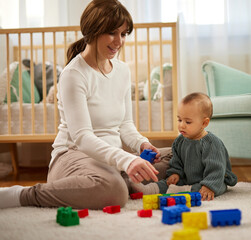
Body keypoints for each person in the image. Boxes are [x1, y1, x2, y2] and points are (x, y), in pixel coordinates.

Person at [0, 0, 170, 209]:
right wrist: (127, 161)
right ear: (92, 31)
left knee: (183, 153)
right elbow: (82, 138)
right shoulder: (74, 74)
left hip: (110, 161)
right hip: (74, 157)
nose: (119, 41)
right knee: (114, 192)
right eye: (112, 33)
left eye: (123, 34)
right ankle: (23, 195)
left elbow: (125, 125)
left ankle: (124, 180)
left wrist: (142, 144)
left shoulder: (122, 71)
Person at [132, 92, 238, 201]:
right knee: (167, 182)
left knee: (204, 189)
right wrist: (175, 173)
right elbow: (176, 161)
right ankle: (148, 190)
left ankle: (184, 189)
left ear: (204, 123)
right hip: (187, 179)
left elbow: (216, 169)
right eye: (179, 120)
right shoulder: (179, 141)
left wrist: (209, 185)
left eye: (188, 122)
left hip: (213, 180)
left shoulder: (211, 143)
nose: (181, 125)